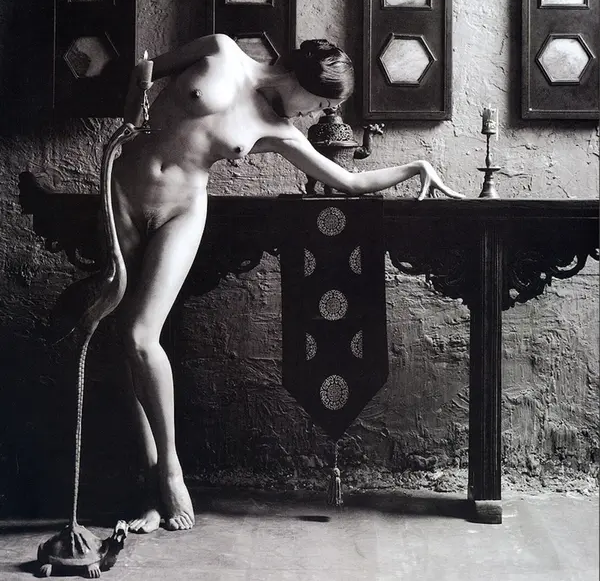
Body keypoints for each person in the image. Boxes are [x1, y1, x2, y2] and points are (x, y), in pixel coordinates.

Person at [111, 33, 464, 533]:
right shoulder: (220, 50)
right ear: (302, 81)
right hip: (122, 191)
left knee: (141, 334)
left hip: (183, 210)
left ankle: (170, 472)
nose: (315, 115)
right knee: (124, 340)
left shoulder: (278, 130)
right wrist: (135, 101)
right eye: (319, 104)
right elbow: (145, 72)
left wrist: (416, 166)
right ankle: (146, 486)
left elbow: (349, 181)